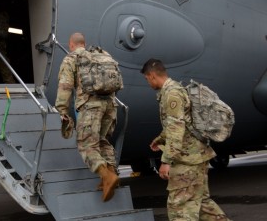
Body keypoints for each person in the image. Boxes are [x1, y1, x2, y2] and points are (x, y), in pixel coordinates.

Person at [140, 58, 229, 220]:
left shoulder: (172, 94)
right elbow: (180, 123)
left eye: (147, 79)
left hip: (188, 160)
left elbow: (176, 129)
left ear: (152, 76)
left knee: (179, 208)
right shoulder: (173, 90)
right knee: (202, 205)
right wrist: (160, 139)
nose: (148, 83)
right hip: (197, 156)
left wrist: (166, 161)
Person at [55, 32, 119, 201]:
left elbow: (65, 86)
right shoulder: (99, 55)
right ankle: (112, 175)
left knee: (86, 144)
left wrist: (62, 110)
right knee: (102, 139)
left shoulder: (72, 58)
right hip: (110, 105)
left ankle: (106, 176)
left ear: (71, 44)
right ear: (84, 43)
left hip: (90, 107)